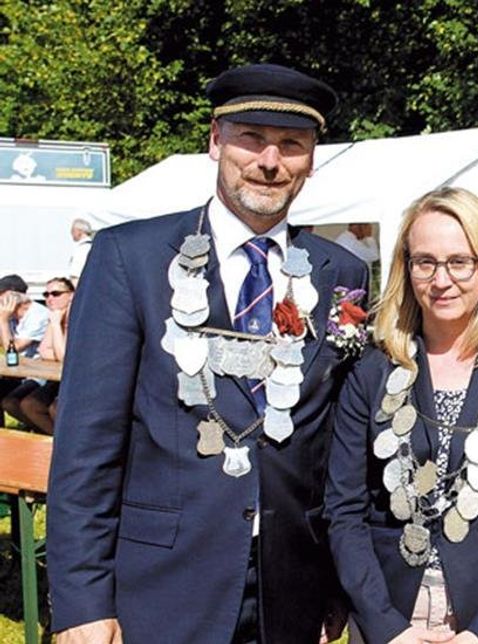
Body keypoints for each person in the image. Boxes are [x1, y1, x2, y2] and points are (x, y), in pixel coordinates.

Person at [47, 63, 369, 644]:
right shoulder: (131, 258)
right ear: (215, 141)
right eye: (252, 138)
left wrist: (334, 585)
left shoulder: (339, 273)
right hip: (160, 589)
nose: (270, 162)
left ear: (311, 161)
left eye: (291, 145)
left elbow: (333, 453)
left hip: (290, 594)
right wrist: (81, 602)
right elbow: (85, 448)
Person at [326, 187, 478, 644]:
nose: (441, 280)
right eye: (425, 262)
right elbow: (344, 510)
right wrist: (386, 627)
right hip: (389, 619)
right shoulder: (372, 369)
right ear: (406, 268)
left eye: (460, 261)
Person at [18, 277, 75, 435]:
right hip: (58, 378)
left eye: (56, 294)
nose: (50, 298)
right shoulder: (55, 316)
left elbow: (64, 357)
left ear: (71, 295)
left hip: (80, 380)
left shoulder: (77, 317)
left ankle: (65, 445)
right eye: (46, 294)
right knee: (27, 404)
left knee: (52, 409)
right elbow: (44, 351)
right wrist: (54, 322)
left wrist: (56, 325)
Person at [0, 273, 49, 411]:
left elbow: (14, 349)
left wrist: (3, 321)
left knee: (11, 402)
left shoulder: (38, 315)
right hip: (17, 371)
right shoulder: (10, 316)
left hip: (38, 374)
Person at [68, 218, 94, 282]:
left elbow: (76, 274)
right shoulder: (93, 247)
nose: (71, 233)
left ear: (79, 231)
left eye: (73, 230)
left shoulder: (82, 249)